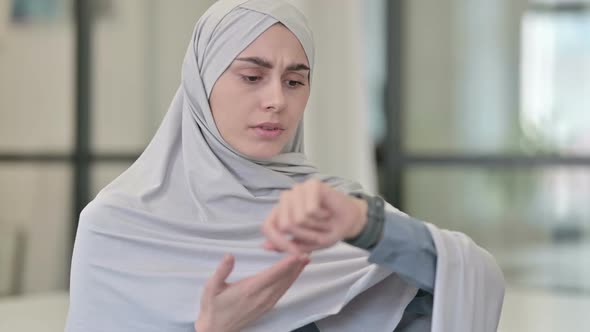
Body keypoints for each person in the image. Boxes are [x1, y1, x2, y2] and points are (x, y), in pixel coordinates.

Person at [65, 0, 505, 331]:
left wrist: (365, 223)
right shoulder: (117, 226)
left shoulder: (330, 211)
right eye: (252, 77)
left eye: (295, 81)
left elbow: (467, 278)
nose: (276, 99)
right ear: (201, 82)